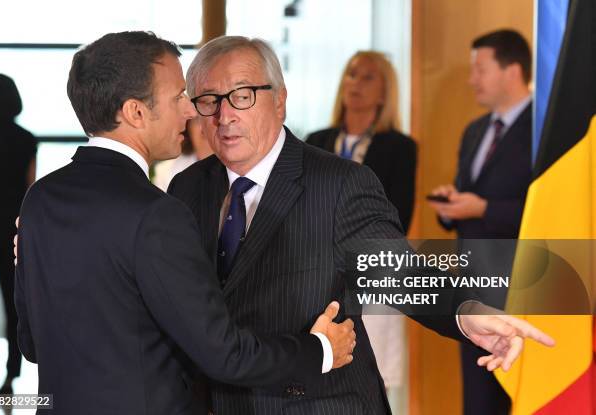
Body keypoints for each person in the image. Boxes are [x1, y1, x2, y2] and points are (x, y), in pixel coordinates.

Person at [168, 35, 553, 414]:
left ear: (280, 100)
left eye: (242, 95)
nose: (225, 115)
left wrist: (466, 315)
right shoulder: (187, 187)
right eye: (208, 101)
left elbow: (400, 272)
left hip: (318, 404)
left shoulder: (339, 184)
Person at [14, 31, 356, 415]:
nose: (192, 111)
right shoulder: (158, 211)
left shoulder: (40, 200)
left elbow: (32, 344)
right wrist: (320, 350)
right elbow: (222, 353)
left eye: (241, 97)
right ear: (136, 113)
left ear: (280, 101)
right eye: (179, 96)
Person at [428, 29, 533, 415]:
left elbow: (552, 212)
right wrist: (451, 206)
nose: (472, 79)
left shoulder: (545, 131)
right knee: (478, 401)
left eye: (480, 69)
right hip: (474, 289)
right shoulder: (475, 131)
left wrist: (484, 208)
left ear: (512, 70)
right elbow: (468, 196)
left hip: (526, 288)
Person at [306, 51, 416, 232]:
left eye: (368, 78)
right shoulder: (314, 141)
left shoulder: (401, 148)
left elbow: (399, 218)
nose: (356, 83)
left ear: (384, 94)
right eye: (352, 74)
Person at [0, 73, 37, 394]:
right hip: (10, 234)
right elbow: (31, 188)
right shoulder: (25, 139)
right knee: (13, 309)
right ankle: (9, 379)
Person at [153, 118, 212, 190]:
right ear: (187, 128)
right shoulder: (166, 173)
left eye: (210, 119)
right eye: (197, 120)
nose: (203, 129)